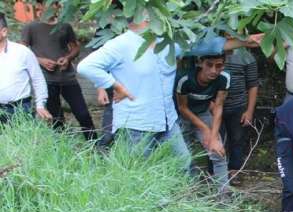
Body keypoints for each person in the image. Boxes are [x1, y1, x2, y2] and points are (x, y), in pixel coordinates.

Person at [78, 11, 261, 169]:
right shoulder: (121, 44)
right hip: (136, 125)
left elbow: (208, 45)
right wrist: (115, 85)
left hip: (167, 121)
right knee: (137, 173)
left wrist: (245, 41)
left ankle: (176, 206)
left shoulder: (168, 42)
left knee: (183, 166)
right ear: (144, 16)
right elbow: (86, 66)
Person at [21, 1, 97, 140]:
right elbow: (22, 52)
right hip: (46, 80)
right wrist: (40, 61)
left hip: (68, 78)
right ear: (40, 6)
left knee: (83, 114)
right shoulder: (31, 27)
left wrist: (67, 58)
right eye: (51, 3)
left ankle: (96, 144)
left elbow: (75, 48)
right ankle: (61, 149)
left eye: (56, 4)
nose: (55, 7)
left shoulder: (65, 26)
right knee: (56, 119)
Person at [176, 55, 230, 194]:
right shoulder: (185, 79)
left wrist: (213, 138)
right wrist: (205, 129)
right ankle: (190, 193)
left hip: (204, 113)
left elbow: (218, 107)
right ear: (200, 63)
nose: (213, 70)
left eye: (218, 66)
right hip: (181, 117)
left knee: (218, 152)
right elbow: (183, 108)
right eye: (209, 65)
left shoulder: (224, 78)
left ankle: (223, 197)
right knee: (184, 156)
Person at [0, 12, 51, 123]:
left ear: (4, 31)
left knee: (19, 139)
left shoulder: (22, 52)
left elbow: (38, 79)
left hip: (20, 109)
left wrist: (40, 105)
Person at [221, 48, 258, 173]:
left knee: (237, 140)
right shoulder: (213, 50)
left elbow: (253, 85)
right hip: (214, 106)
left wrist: (249, 111)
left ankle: (234, 171)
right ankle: (215, 173)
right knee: (216, 139)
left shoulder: (246, 56)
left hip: (238, 106)